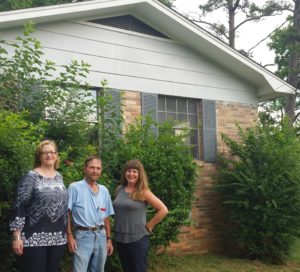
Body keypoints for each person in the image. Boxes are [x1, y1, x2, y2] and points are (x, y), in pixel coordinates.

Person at [10, 139, 68, 272]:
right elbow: (19, 206)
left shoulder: (59, 176)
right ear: (39, 156)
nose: (49, 155)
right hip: (33, 238)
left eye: (52, 152)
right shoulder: (31, 176)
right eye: (45, 152)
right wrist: (16, 237)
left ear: (57, 155)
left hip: (58, 238)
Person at [113, 159, 168, 272]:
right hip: (121, 238)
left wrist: (150, 225)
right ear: (125, 173)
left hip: (137, 239)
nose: (131, 174)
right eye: (129, 171)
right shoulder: (119, 189)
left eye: (135, 171)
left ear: (139, 174)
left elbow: (163, 210)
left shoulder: (143, 192)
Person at [67, 155, 114, 272]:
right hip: (82, 235)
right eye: (92, 167)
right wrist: (70, 236)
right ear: (85, 169)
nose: (95, 171)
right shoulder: (74, 187)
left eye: (98, 168)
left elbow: (106, 217)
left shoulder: (104, 190)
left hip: (101, 236)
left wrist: (108, 239)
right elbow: (66, 214)